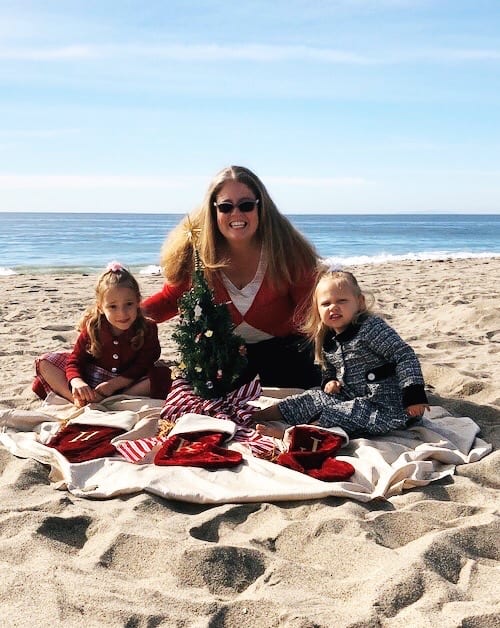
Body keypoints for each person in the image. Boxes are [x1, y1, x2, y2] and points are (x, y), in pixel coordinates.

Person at [142, 165, 321, 389]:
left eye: (246, 205)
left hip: (285, 358)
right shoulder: (195, 254)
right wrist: (125, 315)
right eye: (226, 207)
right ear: (213, 210)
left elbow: (315, 311)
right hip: (221, 361)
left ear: (261, 207)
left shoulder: (288, 251)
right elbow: (170, 300)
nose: (236, 214)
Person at [253, 268, 429, 438]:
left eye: (342, 301)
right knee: (310, 399)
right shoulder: (327, 337)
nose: (333, 307)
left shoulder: (370, 327)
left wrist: (413, 394)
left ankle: (295, 435)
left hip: (388, 406)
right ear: (317, 309)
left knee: (339, 414)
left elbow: (403, 355)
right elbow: (328, 367)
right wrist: (329, 380)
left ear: (360, 302)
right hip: (348, 396)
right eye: (326, 303)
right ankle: (257, 416)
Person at [33, 262, 170, 406]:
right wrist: (77, 382)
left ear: (138, 301)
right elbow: (75, 361)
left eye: (128, 304)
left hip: (128, 382)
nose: (122, 313)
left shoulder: (148, 327)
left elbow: (143, 365)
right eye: (113, 307)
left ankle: (116, 399)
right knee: (45, 362)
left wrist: (113, 385)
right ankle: (76, 400)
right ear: (101, 307)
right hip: (92, 380)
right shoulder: (94, 327)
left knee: (163, 375)